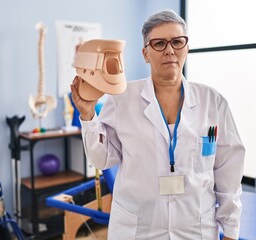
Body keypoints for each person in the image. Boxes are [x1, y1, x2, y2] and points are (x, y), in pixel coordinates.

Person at [70, 9, 245, 240]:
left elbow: (228, 173)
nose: (170, 50)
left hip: (195, 229)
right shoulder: (121, 98)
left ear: (187, 47)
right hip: (137, 229)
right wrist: (88, 115)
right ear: (145, 53)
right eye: (159, 43)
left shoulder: (213, 103)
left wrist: (231, 231)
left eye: (177, 42)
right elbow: (101, 159)